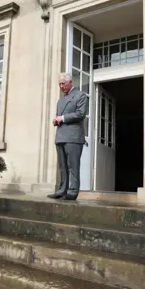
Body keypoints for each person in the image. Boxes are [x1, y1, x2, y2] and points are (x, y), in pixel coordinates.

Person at [48, 73, 88, 201]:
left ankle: (73, 191)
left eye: (63, 83)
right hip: (60, 136)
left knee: (73, 165)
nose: (61, 86)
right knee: (62, 166)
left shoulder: (80, 95)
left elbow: (81, 114)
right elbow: (59, 116)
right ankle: (62, 190)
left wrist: (62, 118)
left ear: (71, 82)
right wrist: (56, 120)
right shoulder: (60, 101)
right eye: (59, 84)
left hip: (73, 137)